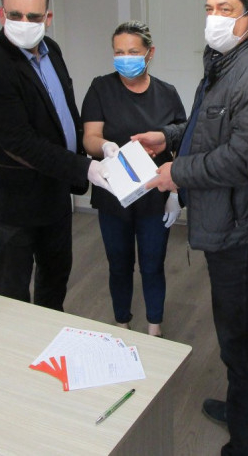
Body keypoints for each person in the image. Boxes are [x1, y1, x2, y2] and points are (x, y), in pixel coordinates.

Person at [134, 0, 248, 455]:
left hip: (245, 224)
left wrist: (178, 173)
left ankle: (245, 441)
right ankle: (245, 410)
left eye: (225, 9)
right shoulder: (230, 57)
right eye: (209, 9)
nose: (213, 19)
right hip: (234, 215)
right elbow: (214, 125)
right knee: (237, 327)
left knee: (238, 333)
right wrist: (168, 136)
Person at [0, 0, 111, 311]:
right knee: (14, 291)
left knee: (55, 277)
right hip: (13, 202)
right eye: (15, 15)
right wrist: (86, 168)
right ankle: (19, 342)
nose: (24, 23)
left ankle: (51, 333)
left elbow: (62, 111)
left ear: (48, 18)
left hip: (54, 193)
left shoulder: (52, 50)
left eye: (33, 17)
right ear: (1, 15)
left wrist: (94, 144)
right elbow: (21, 143)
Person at [81, 21, 186, 337]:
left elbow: (181, 141)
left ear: (150, 53)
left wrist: (175, 193)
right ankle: (122, 324)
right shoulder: (101, 89)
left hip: (155, 196)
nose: (125, 58)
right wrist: (105, 147)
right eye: (119, 52)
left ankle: (155, 327)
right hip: (114, 194)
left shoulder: (167, 94)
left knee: (153, 263)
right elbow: (90, 137)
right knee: (119, 263)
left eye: (133, 52)